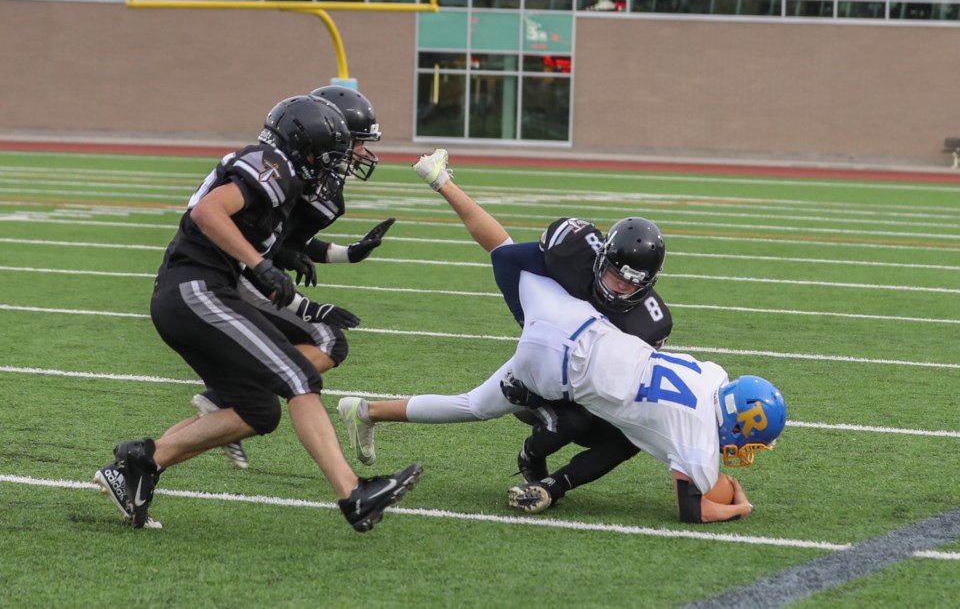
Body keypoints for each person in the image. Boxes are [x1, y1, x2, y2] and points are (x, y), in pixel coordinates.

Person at [94, 94, 421, 532]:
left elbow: (271, 249)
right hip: (195, 288)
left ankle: (139, 464)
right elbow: (208, 211)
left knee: (259, 412)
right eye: (333, 154)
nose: (339, 163)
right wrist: (262, 265)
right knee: (301, 378)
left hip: (201, 294)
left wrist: (307, 264)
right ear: (307, 149)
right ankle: (353, 494)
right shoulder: (274, 164)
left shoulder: (287, 185)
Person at [337, 150, 673, 494]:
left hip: (583, 373)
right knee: (488, 407)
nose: (621, 286)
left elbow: (628, 385)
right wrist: (531, 327)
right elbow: (505, 254)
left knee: (487, 407)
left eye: (634, 282)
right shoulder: (575, 250)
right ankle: (370, 412)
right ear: (601, 256)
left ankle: (365, 411)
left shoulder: (650, 323)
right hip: (546, 351)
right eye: (617, 275)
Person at [492, 252, 786, 522]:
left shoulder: (713, 375)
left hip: (597, 352)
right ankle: (530, 406)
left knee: (627, 440)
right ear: (735, 425)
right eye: (750, 441)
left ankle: (550, 486)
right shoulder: (698, 442)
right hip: (572, 384)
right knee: (567, 418)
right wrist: (739, 508)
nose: (747, 449)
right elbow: (694, 511)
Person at [191, 85, 395, 470]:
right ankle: (225, 399)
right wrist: (308, 306)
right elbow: (257, 244)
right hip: (221, 271)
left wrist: (347, 254)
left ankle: (225, 402)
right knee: (323, 340)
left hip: (239, 268)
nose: (365, 154)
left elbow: (285, 244)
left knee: (314, 344)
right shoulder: (279, 171)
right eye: (358, 143)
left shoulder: (320, 188)